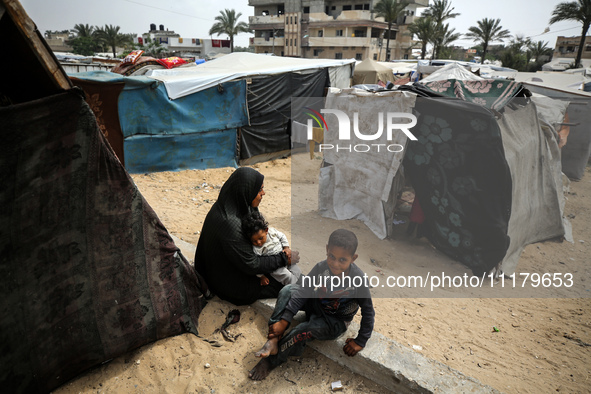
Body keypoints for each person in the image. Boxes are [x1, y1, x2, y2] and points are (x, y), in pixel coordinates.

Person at [249, 229, 375, 381]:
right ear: (327, 250)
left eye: (342, 260)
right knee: (288, 290)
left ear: (353, 258)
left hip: (334, 322)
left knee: (301, 330)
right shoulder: (321, 267)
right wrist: (284, 320)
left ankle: (271, 361)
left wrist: (360, 341)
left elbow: (368, 311)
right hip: (318, 304)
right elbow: (304, 291)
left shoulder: (358, 280)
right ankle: (273, 339)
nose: (335, 264)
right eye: (332, 256)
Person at [194, 167, 298, 306]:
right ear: (246, 191)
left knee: (286, 272)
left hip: (230, 268)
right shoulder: (229, 222)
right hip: (227, 284)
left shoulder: (237, 205)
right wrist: (283, 258)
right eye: (259, 190)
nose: (263, 193)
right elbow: (252, 264)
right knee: (283, 283)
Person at [242, 211, 302, 286]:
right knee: (287, 277)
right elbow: (258, 265)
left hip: (285, 257)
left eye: (261, 238)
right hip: (275, 267)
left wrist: (286, 248)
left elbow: (282, 236)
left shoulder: (272, 232)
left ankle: (299, 282)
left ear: (266, 231)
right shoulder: (256, 249)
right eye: (254, 241)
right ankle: (296, 286)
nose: (259, 242)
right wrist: (262, 277)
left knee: (297, 270)